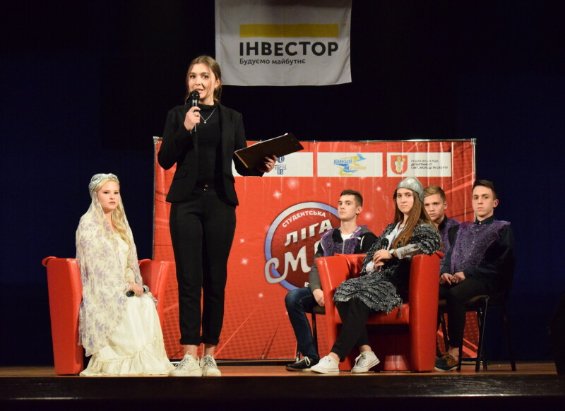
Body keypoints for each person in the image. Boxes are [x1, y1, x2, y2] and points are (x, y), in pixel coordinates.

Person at [158, 55, 276, 377]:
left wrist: (260, 167)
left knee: (215, 279)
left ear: (216, 82)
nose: (197, 81)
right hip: (186, 203)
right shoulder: (178, 115)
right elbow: (165, 159)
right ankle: (189, 355)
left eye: (204, 76)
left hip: (220, 204)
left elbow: (240, 163)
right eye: (192, 76)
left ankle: (210, 354)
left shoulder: (232, 117)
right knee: (189, 279)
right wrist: (185, 128)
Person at [311, 177, 441, 374]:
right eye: (399, 196)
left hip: (398, 282)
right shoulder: (391, 228)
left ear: (417, 199)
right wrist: (373, 263)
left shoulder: (424, 227)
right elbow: (370, 255)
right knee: (342, 292)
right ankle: (367, 352)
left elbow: (426, 246)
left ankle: (334, 357)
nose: (403, 200)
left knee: (360, 299)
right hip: (377, 277)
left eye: (408, 195)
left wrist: (394, 253)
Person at [76, 173, 173, 376]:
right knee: (130, 304)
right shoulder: (88, 224)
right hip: (102, 288)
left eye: (116, 192)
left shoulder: (121, 225)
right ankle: (124, 361)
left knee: (145, 302)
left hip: (122, 285)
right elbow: (95, 267)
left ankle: (147, 361)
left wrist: (131, 282)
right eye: (106, 192)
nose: (112, 197)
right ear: (95, 195)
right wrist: (123, 287)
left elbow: (129, 263)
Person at [285, 189, 377, 371]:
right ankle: (311, 356)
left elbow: (369, 272)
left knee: (349, 299)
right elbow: (316, 267)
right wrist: (316, 290)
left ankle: (357, 353)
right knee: (293, 297)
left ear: (358, 209)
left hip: (351, 293)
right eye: (340, 203)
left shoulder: (367, 238)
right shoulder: (327, 237)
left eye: (348, 203)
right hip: (325, 290)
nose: (342, 206)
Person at [435, 180, 515, 371]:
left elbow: (501, 264)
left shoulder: (502, 229)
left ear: (494, 203)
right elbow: (448, 256)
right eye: (476, 197)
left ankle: (454, 352)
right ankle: (429, 349)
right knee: (430, 293)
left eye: (485, 197)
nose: (480, 201)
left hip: (487, 281)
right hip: (458, 280)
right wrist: (445, 272)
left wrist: (467, 273)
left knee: (455, 294)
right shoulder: (461, 229)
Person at [423, 185, 459, 252]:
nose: (431, 209)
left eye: (435, 204)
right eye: (426, 205)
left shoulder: (458, 229)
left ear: (445, 205)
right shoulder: (417, 231)